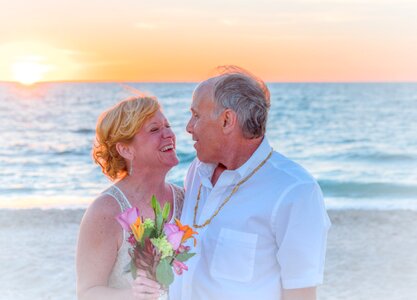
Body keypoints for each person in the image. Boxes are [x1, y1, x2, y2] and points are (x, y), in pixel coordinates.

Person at [169, 66, 331, 300]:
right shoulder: (197, 170)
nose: (188, 127)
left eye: (196, 115)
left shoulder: (295, 192)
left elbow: (301, 293)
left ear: (227, 120)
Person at [76, 95, 184, 300]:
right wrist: (132, 295)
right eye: (154, 129)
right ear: (125, 149)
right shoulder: (105, 211)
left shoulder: (184, 199)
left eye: (167, 125)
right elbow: (87, 293)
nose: (169, 133)